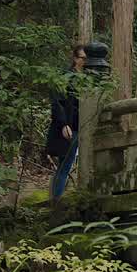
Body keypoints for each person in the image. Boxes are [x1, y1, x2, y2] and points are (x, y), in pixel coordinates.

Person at [47, 45, 86, 201]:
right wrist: (64, 124)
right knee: (65, 165)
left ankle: (55, 197)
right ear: (76, 59)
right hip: (70, 127)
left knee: (65, 165)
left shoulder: (87, 78)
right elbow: (57, 102)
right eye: (83, 58)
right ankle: (55, 200)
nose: (85, 61)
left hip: (82, 125)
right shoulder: (66, 77)